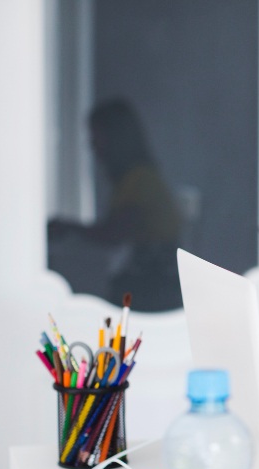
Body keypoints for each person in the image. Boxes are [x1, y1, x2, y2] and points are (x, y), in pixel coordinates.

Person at [48, 98, 184, 311]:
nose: (91, 145)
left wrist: (70, 228)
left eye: (96, 136)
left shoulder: (139, 181)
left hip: (152, 288)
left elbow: (112, 234)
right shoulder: (136, 180)